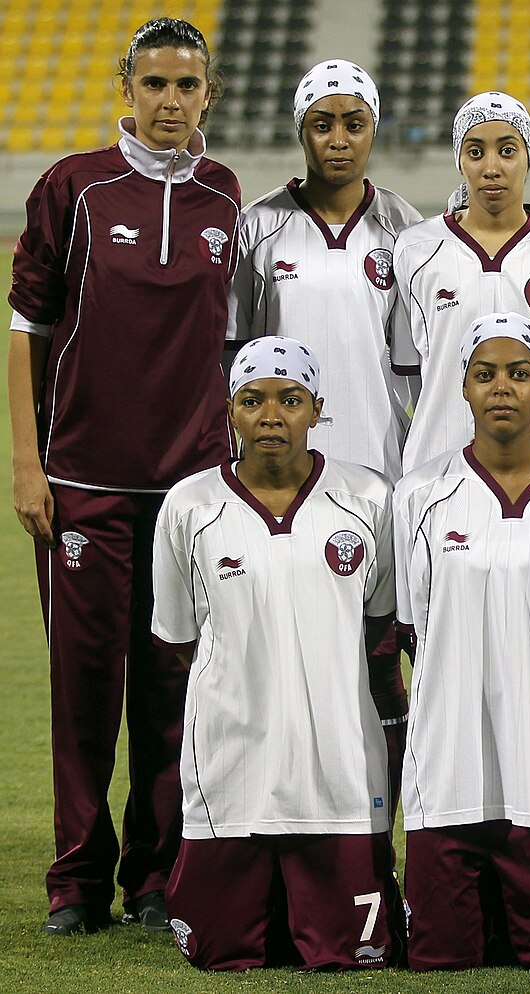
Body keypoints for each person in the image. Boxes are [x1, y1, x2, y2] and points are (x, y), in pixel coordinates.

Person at [6, 17, 240, 937]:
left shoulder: (227, 197)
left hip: (189, 492)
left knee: (172, 690)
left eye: (187, 86)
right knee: (83, 689)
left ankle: (155, 875)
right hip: (83, 484)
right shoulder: (74, 187)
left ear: (208, 95)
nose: (171, 101)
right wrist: (29, 465)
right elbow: (26, 330)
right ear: (127, 88)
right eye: (155, 84)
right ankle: (75, 882)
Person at [152, 338, 404, 971]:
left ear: (316, 408)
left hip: (338, 768)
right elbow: (180, 639)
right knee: (216, 951)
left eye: (290, 400)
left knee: (355, 953)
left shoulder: (367, 498)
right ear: (229, 412)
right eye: (252, 400)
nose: (271, 416)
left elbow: (380, 623)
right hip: (231, 764)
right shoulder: (189, 506)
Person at [393, 312, 530, 971]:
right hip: (449, 769)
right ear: (461, 387)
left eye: (520, 374)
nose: (501, 388)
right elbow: (415, 623)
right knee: (441, 958)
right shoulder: (421, 495)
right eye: (484, 374)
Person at [227, 58, 421, 809]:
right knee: (283, 666)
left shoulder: (406, 228)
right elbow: (232, 357)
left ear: (373, 128)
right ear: (301, 130)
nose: (338, 140)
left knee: (381, 669)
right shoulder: (258, 226)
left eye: (354, 123)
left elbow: (421, 364)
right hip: (281, 487)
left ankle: (384, 843)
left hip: (382, 477)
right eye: (322, 124)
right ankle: (282, 826)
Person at [391, 92, 530, 473]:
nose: (492, 167)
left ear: (529, 157)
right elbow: (412, 373)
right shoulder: (416, 249)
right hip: (438, 468)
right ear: (459, 161)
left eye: (508, 150)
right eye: (476, 152)